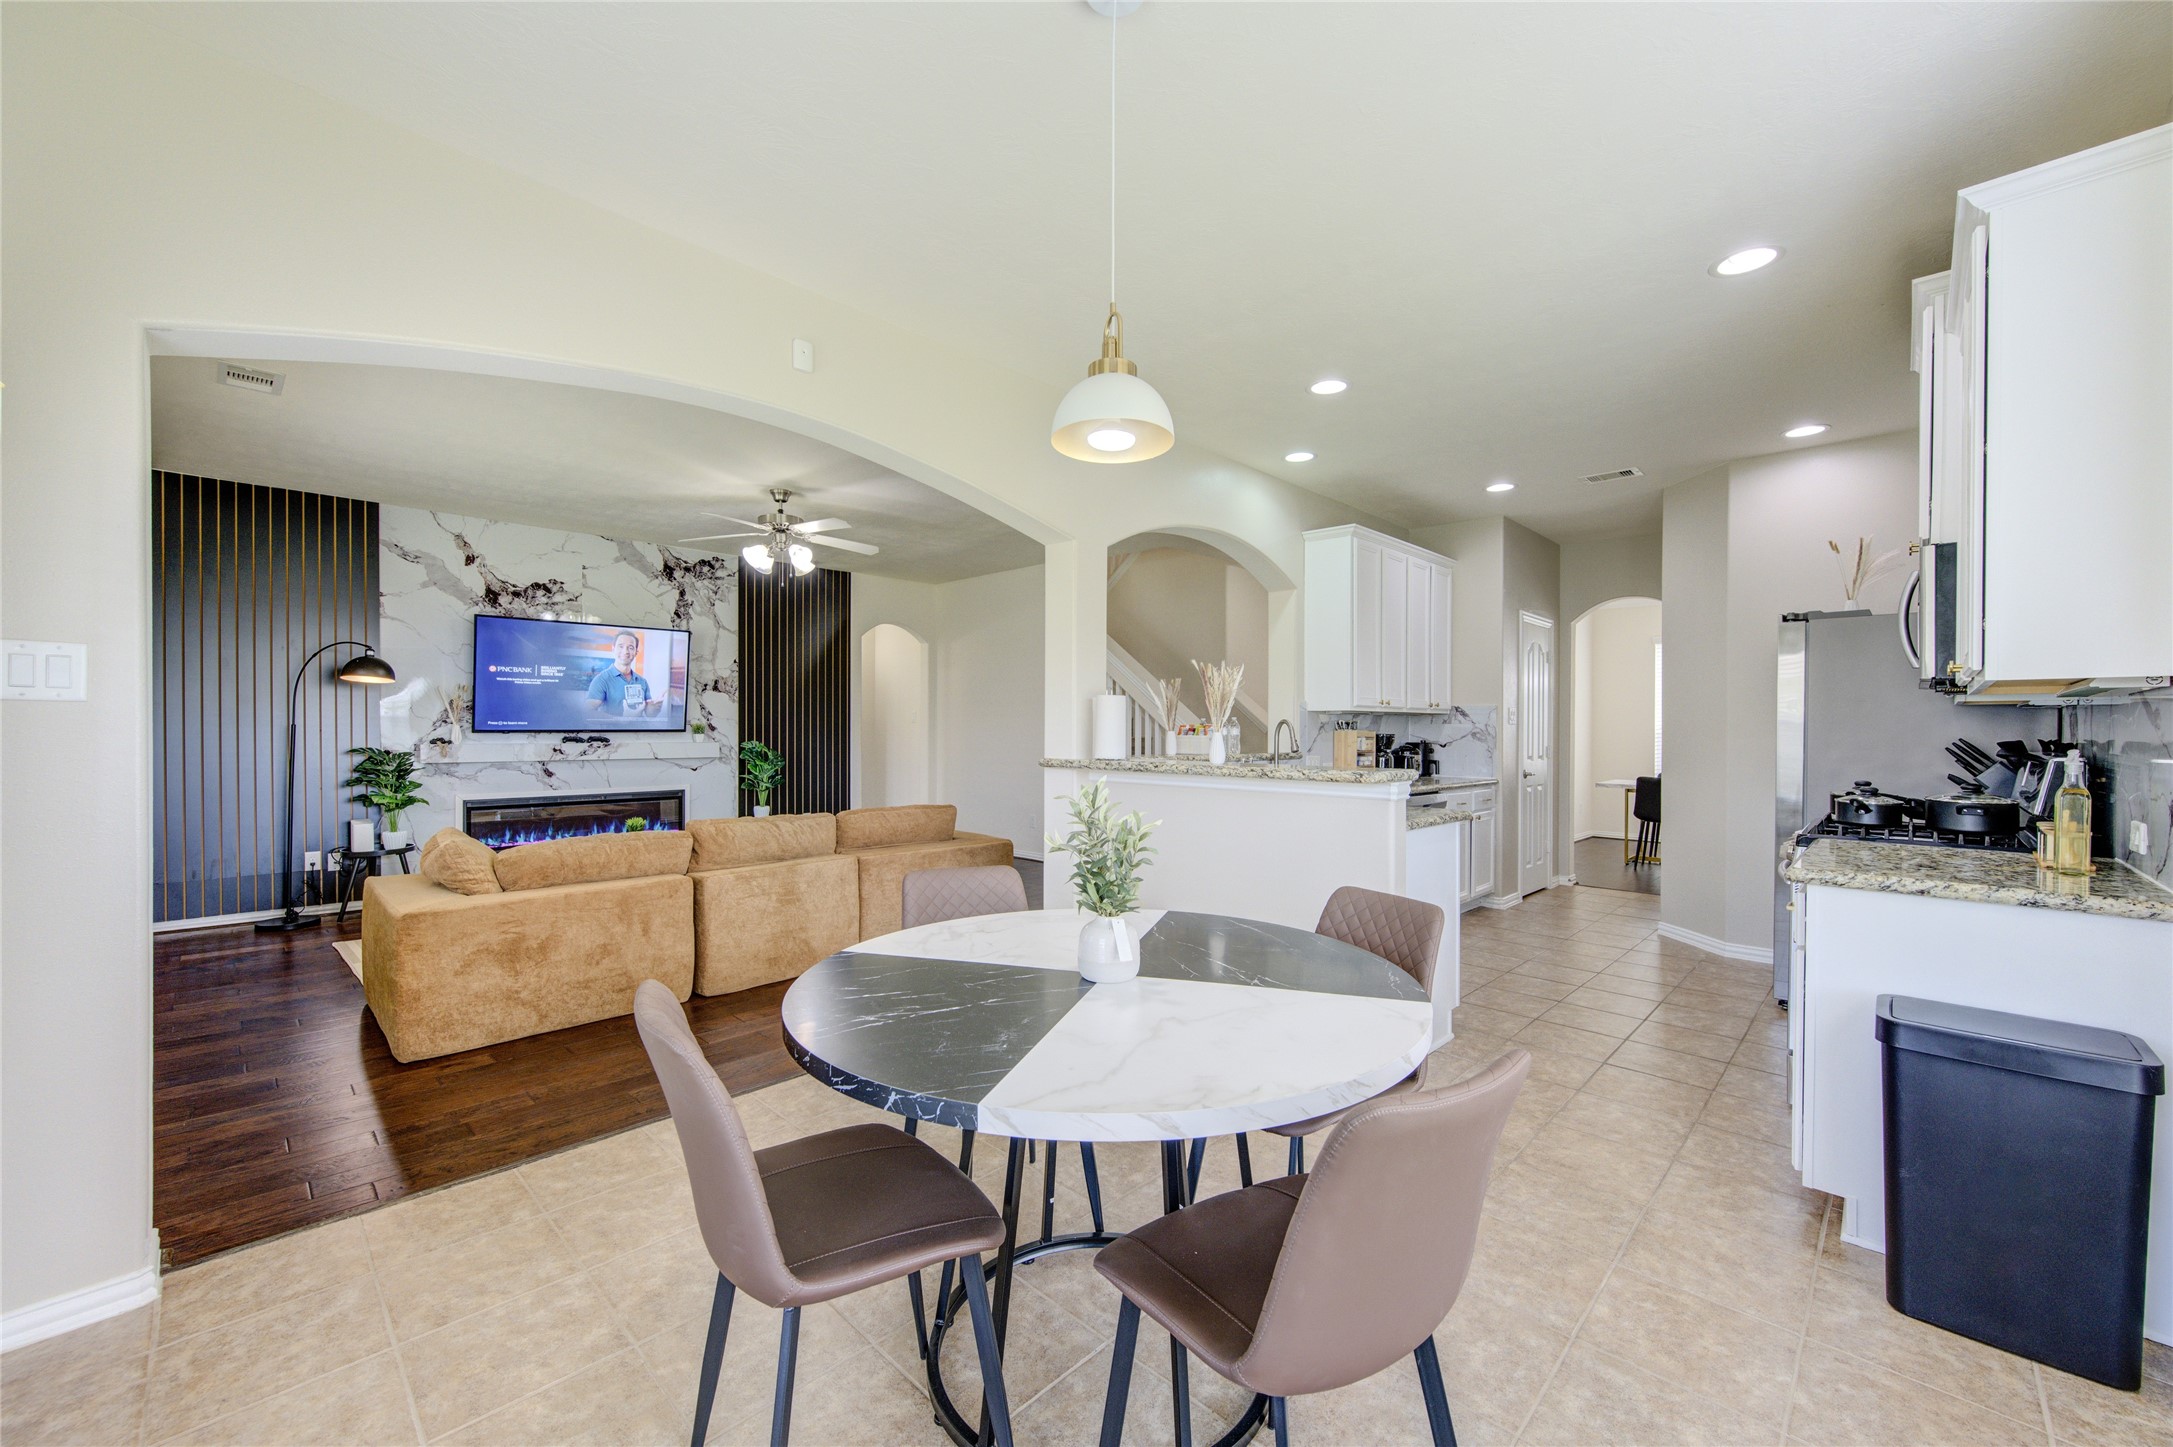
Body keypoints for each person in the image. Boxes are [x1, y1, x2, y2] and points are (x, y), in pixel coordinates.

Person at [585, 630, 658, 716]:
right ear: (613, 649)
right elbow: (588, 712)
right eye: (621, 646)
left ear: (636, 652)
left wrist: (655, 708)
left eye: (631, 648)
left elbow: (649, 714)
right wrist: (621, 721)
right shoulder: (601, 680)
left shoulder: (642, 681)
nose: (625, 651)